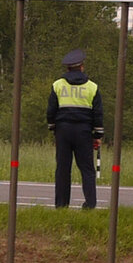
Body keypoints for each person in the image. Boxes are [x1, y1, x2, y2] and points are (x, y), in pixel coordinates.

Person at [46, 48, 104, 209]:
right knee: (87, 169)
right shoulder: (92, 87)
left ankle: (61, 205)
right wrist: (97, 134)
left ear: (67, 68)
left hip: (63, 131)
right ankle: (90, 204)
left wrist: (53, 129)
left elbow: (51, 111)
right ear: (82, 67)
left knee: (63, 169)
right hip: (84, 132)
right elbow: (98, 114)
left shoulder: (57, 85)